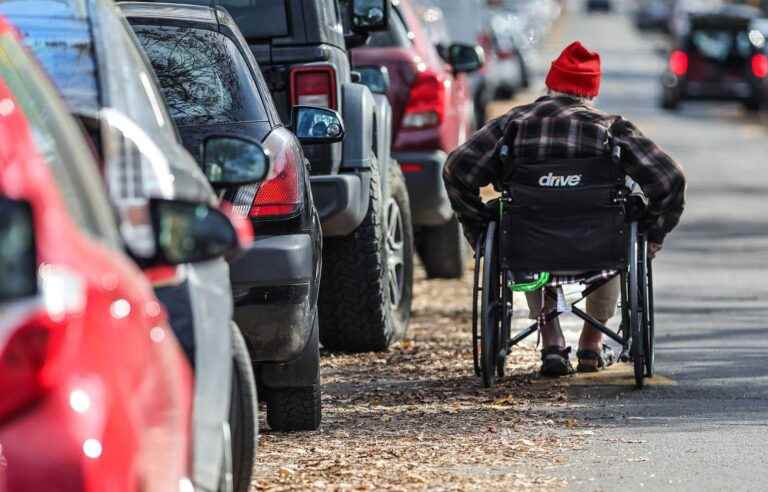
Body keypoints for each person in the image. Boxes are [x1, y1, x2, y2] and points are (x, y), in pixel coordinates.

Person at [443, 41, 686, 376]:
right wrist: (652, 230)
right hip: (597, 246)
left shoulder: (514, 124)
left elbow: (456, 169)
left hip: (528, 245)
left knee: (520, 229)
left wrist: (476, 226)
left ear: (550, 83)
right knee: (617, 226)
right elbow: (670, 180)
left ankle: (551, 339)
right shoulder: (611, 128)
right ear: (591, 92)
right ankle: (591, 342)